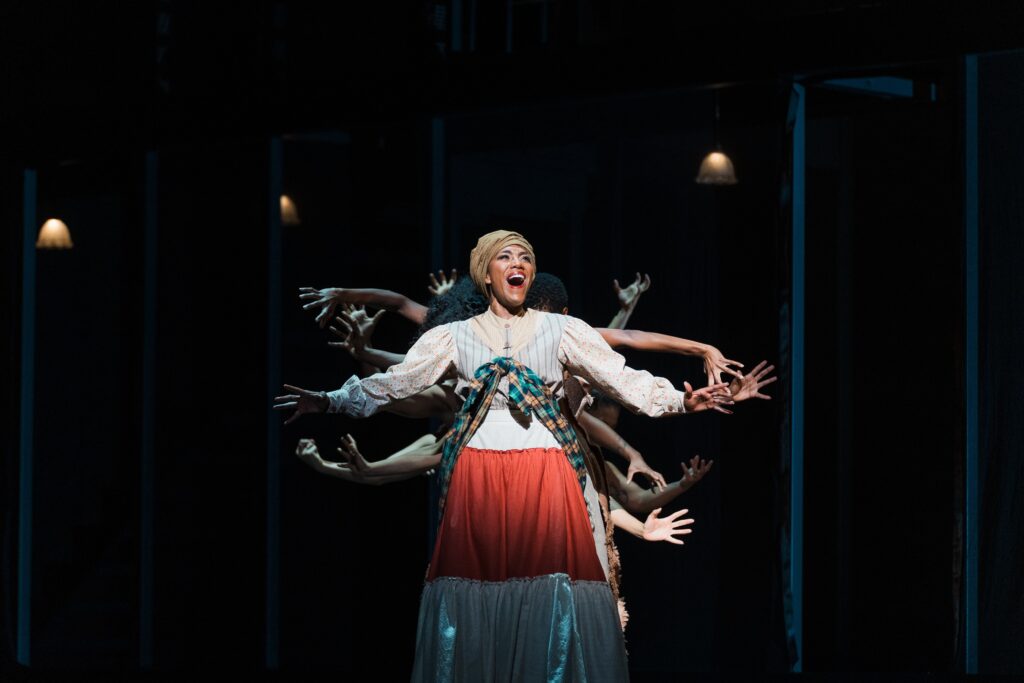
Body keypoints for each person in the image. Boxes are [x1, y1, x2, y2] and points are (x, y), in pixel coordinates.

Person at [275, 230, 731, 681]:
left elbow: (622, 377)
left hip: (545, 470)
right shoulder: (454, 337)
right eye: (506, 257)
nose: (518, 264)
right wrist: (328, 399)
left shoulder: (563, 330)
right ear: (487, 274)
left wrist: (682, 401)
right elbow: (396, 383)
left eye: (526, 258)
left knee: (552, 589)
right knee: (474, 586)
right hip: (479, 473)